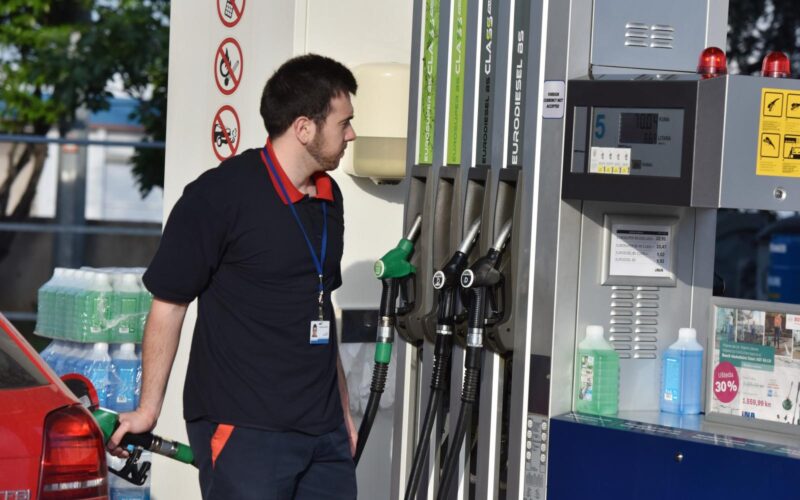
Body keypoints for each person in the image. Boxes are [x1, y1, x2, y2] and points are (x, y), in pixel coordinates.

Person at [107, 54, 358, 499]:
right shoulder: (218, 196)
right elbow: (169, 306)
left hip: (324, 434)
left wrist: (342, 411)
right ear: (304, 128)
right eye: (344, 123)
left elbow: (318, 306)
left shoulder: (328, 196)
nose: (351, 134)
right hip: (245, 429)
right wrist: (148, 410)